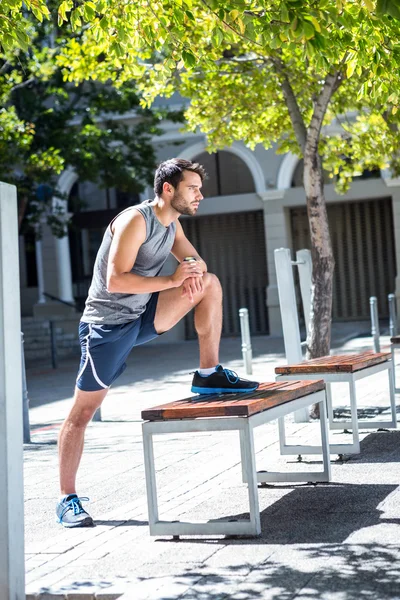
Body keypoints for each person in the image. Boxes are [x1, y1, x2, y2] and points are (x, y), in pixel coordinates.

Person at [56, 158, 259, 528]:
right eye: (192, 188)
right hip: (107, 326)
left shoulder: (172, 223)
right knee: (82, 413)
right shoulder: (136, 220)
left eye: (199, 188)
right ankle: (67, 499)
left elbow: (193, 258)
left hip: (143, 313)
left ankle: (208, 373)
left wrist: (192, 270)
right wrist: (174, 280)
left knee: (210, 283)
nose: (200, 195)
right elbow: (116, 280)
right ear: (169, 189)